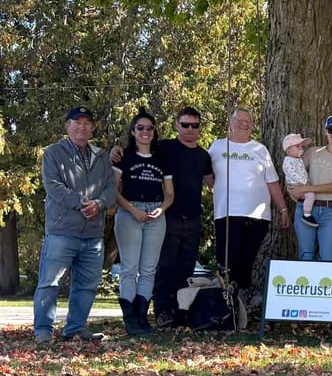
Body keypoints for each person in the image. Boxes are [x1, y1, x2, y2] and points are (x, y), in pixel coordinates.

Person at [34, 106, 117, 343]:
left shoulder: (101, 156)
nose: (82, 127)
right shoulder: (53, 153)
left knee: (87, 285)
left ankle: (75, 328)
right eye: (77, 122)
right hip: (62, 230)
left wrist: (99, 203)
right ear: (67, 126)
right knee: (50, 283)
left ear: (92, 128)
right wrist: (83, 203)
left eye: (87, 123)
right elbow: (53, 186)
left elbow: (111, 188)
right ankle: (43, 331)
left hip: (93, 234)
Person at [209, 108, 290, 298]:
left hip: (258, 216)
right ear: (230, 122)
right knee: (226, 261)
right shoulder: (217, 146)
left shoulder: (260, 149)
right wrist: (220, 188)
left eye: (249, 121)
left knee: (247, 261)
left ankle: (240, 300)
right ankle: (224, 303)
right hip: (227, 213)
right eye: (240, 119)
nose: (244, 123)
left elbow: (272, 181)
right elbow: (206, 174)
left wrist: (283, 209)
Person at [150, 107, 214, 329]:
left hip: (193, 219)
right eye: (185, 124)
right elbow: (138, 147)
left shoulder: (204, 156)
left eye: (194, 125)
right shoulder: (164, 148)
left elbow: (214, 184)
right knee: (165, 266)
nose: (190, 129)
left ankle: (179, 310)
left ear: (199, 128)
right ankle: (161, 310)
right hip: (169, 216)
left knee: (186, 268)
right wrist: (116, 151)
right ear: (177, 125)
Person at [113, 108, 175, 335]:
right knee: (129, 268)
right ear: (133, 131)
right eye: (140, 128)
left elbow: (169, 194)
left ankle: (142, 317)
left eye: (149, 128)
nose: (145, 132)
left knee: (148, 270)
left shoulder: (162, 160)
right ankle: (129, 319)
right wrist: (131, 209)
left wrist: (161, 209)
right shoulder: (124, 156)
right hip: (130, 212)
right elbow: (113, 190)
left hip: (155, 214)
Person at [287, 115, 332, 261]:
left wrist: (305, 189)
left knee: (327, 257)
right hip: (305, 208)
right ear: (326, 131)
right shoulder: (312, 152)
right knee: (306, 255)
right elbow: (293, 171)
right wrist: (293, 191)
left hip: (329, 211)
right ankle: (305, 283)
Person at [281, 133, 316, 227]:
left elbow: (302, 172)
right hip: (297, 184)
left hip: (302, 184)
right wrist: (304, 182)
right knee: (311, 195)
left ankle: (306, 209)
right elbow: (293, 174)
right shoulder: (288, 161)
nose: (301, 149)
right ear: (288, 150)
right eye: (297, 146)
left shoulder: (299, 159)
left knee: (311, 195)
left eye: (302, 146)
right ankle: (306, 214)